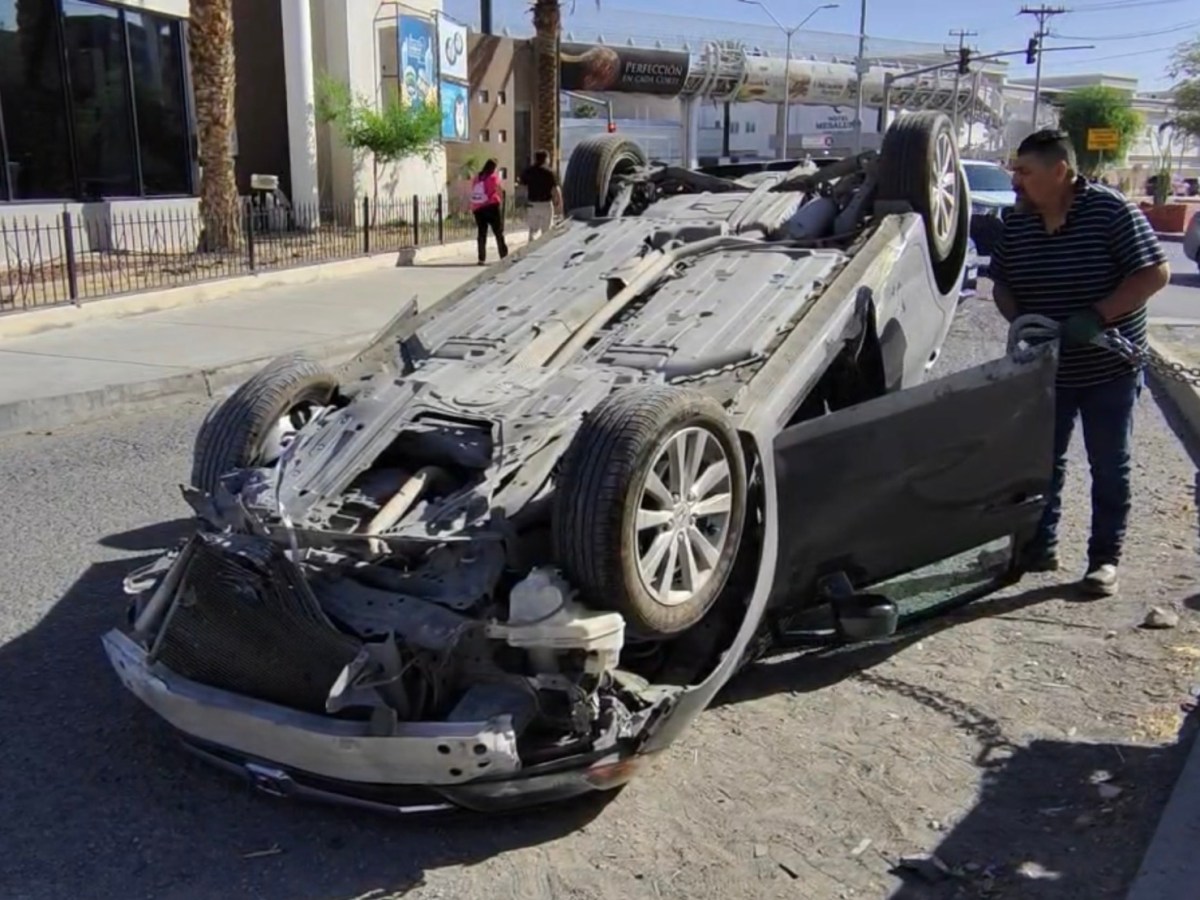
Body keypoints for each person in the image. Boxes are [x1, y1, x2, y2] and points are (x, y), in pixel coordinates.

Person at [990, 129, 1170, 597]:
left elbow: (1154, 272)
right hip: (1046, 369)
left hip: (1108, 367)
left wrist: (1097, 316)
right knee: (1042, 462)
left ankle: (1103, 560)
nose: (1016, 181)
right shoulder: (1017, 223)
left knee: (1110, 464)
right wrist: (1023, 322)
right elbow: (1002, 284)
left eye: (1025, 172)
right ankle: (1040, 546)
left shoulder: (1110, 211)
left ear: (1060, 172)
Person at [470, 158, 509, 264]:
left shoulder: (477, 177)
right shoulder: (493, 177)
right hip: (492, 207)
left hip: (478, 208)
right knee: (498, 232)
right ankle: (503, 255)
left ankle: (481, 258)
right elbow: (498, 190)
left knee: (482, 233)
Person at [518, 150, 563, 241]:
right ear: (546, 159)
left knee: (533, 230)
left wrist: (522, 202)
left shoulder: (528, 172)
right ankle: (545, 251)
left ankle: (531, 248)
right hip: (546, 204)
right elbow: (556, 189)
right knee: (546, 231)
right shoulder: (550, 172)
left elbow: (522, 188)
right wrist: (559, 203)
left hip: (532, 204)